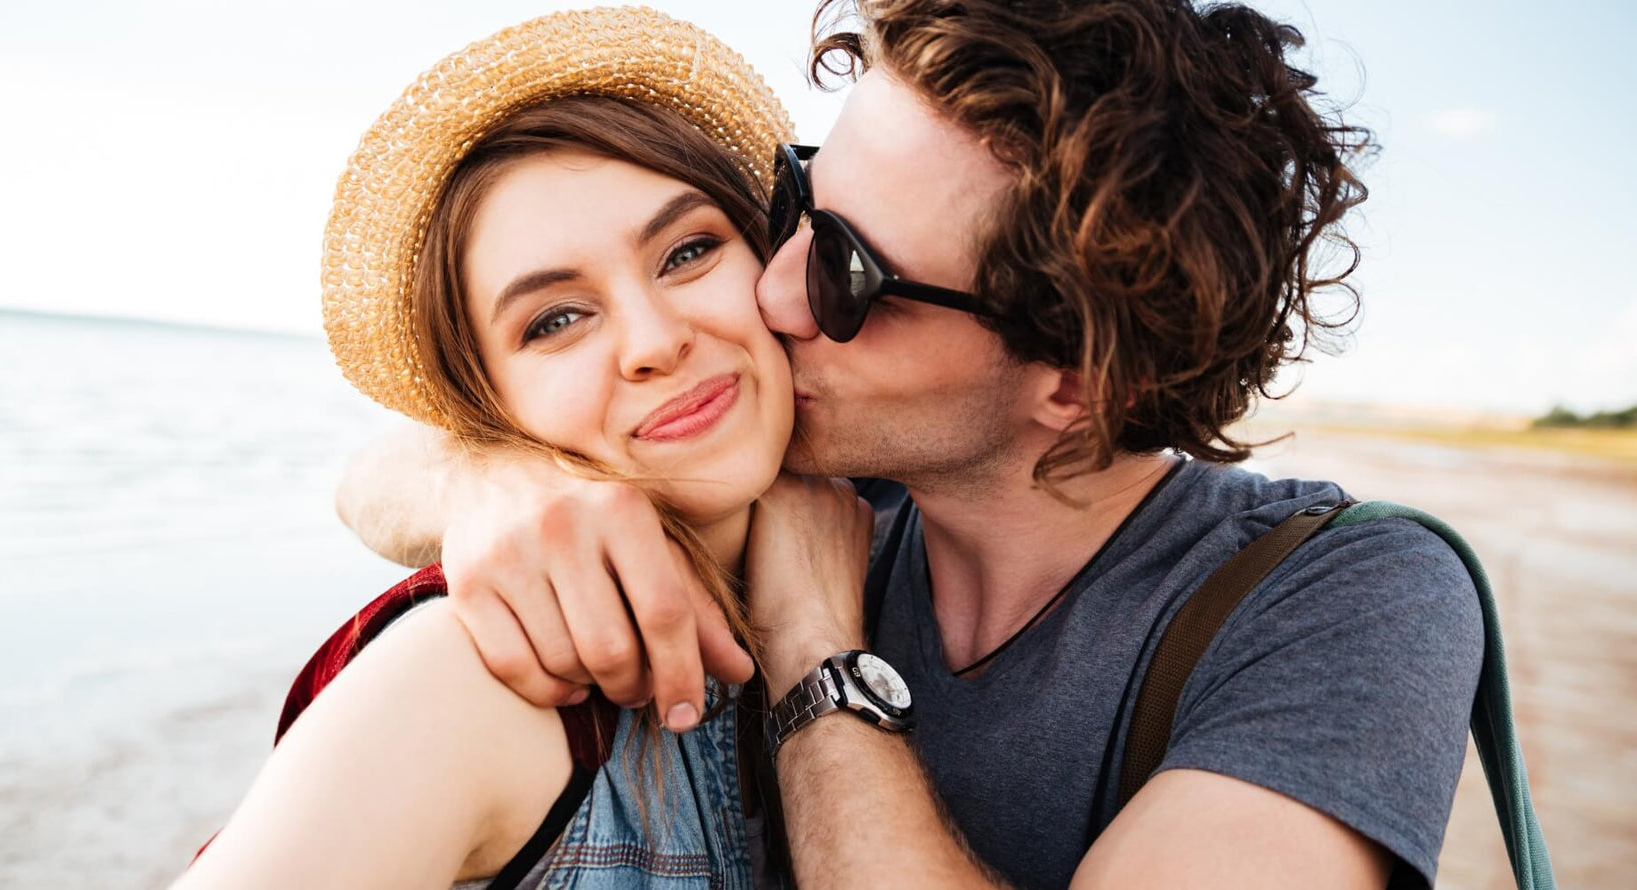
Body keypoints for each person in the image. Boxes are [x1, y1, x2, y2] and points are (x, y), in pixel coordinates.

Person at [338, 1, 1489, 888]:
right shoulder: (791, 448)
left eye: (849, 273)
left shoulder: (1343, 601)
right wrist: (492, 476)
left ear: (1079, 383)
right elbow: (362, 477)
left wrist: (810, 642)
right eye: (796, 199)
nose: (771, 288)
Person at [176, 9, 812, 888]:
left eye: (689, 251)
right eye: (556, 319)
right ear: (487, 406)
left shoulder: (900, 525)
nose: (654, 340)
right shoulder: (462, 680)